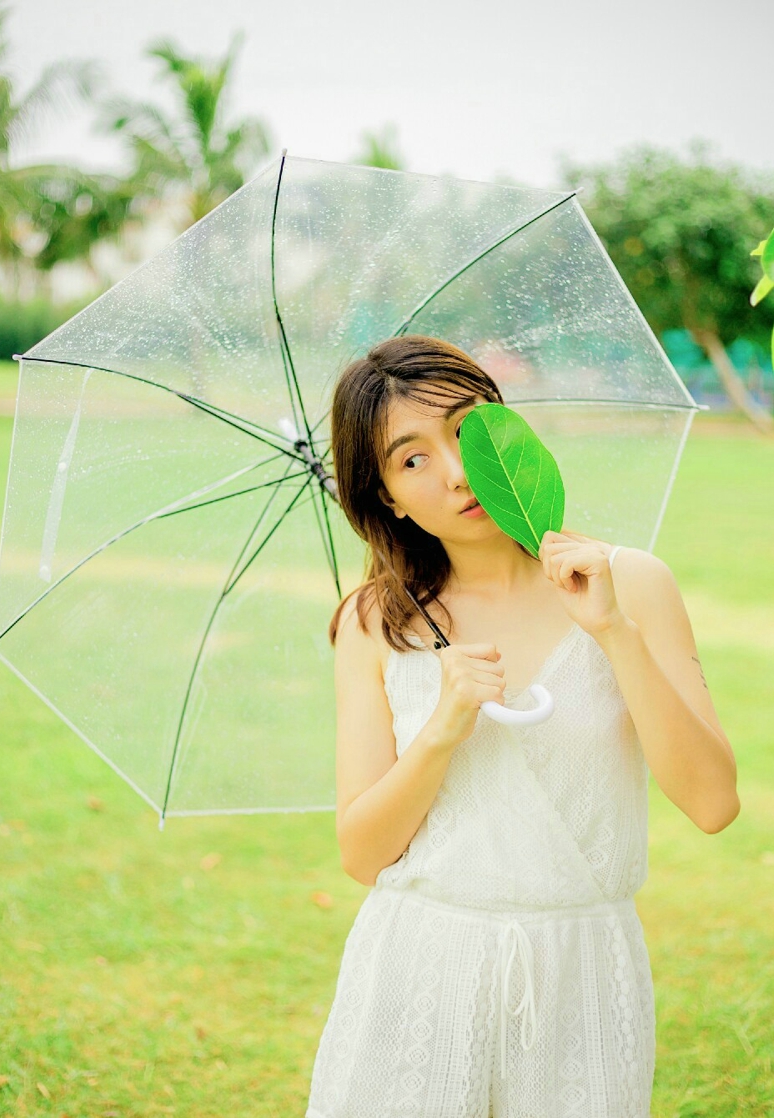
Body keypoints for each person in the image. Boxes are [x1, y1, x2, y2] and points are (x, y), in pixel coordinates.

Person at [306, 335, 739, 1118]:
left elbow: (712, 803)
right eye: (412, 460)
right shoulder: (376, 624)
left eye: (469, 431)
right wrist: (441, 728)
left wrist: (613, 632)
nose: (458, 471)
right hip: (419, 970)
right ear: (388, 497)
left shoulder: (628, 582)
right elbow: (363, 852)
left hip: (581, 971)